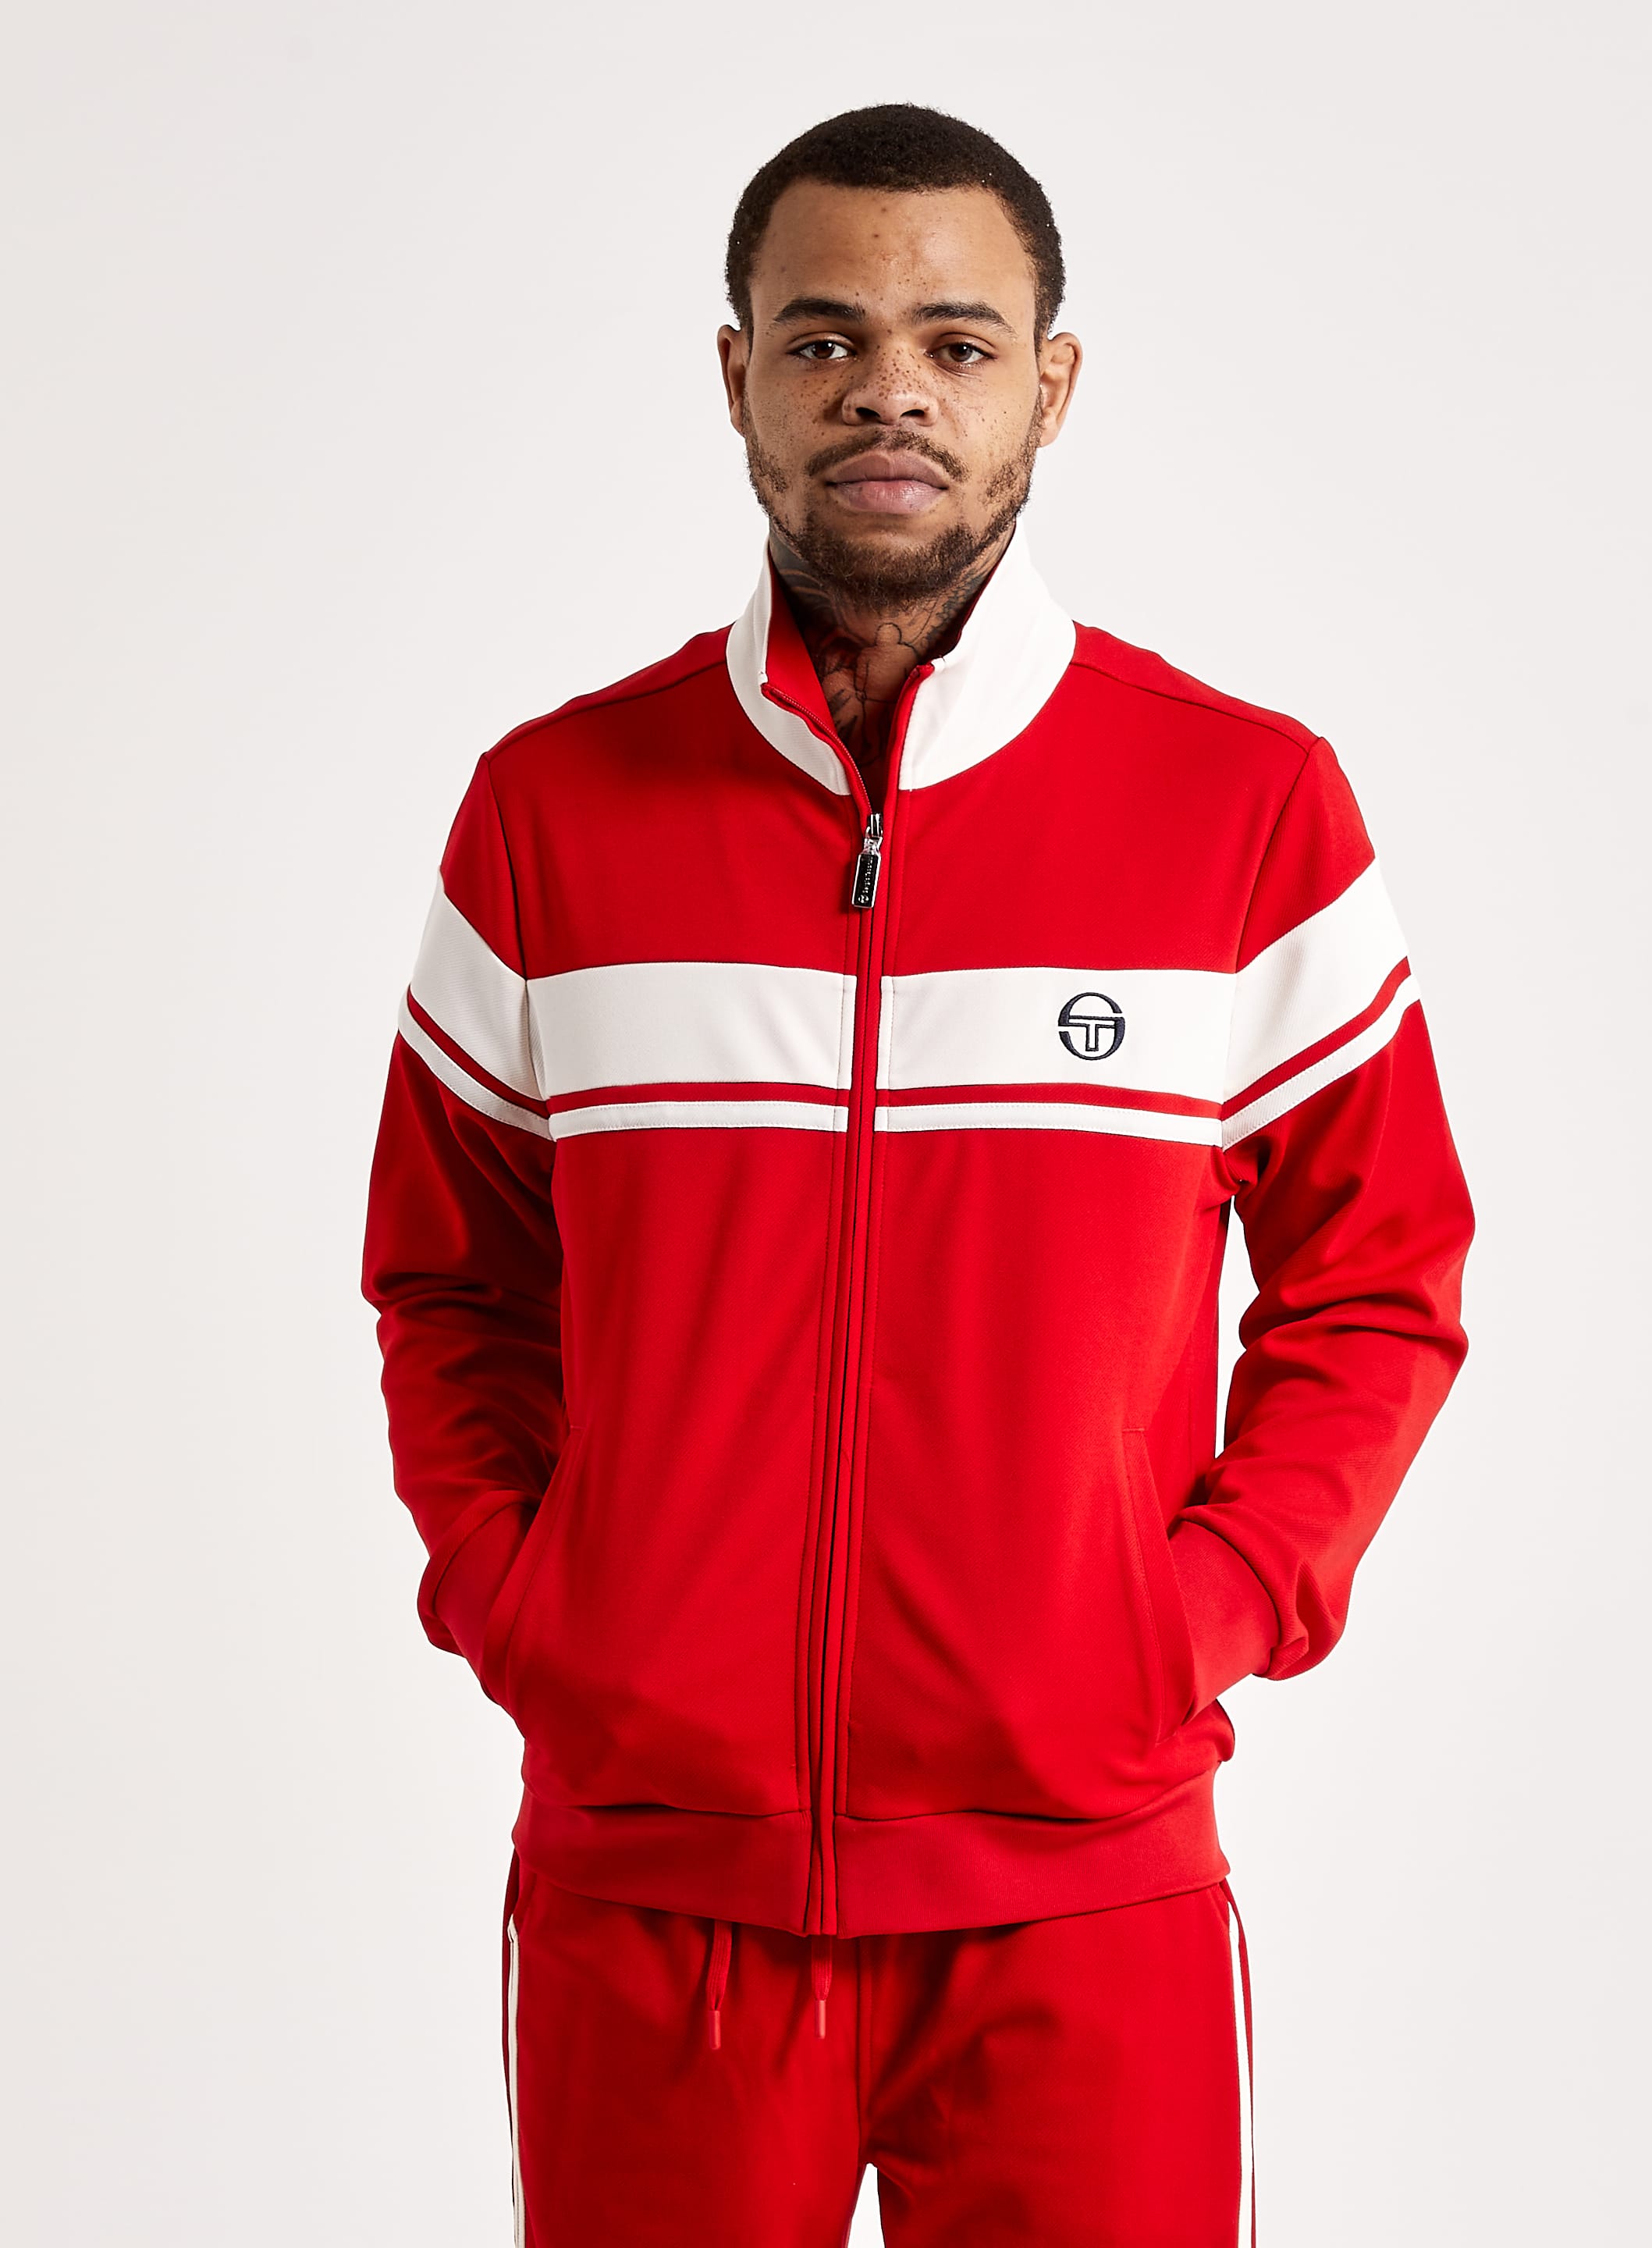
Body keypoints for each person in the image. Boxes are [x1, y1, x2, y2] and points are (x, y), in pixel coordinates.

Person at [361, 101, 1474, 2248]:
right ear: (737, 378)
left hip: (1084, 1887)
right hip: (655, 1886)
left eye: (956, 344)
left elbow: (1380, 1280)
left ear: (1050, 384)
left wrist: (1190, 1617)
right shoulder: (549, 812)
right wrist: (537, 1609)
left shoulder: (1243, 807)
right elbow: (453, 1285)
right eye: (825, 340)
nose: (890, 390)